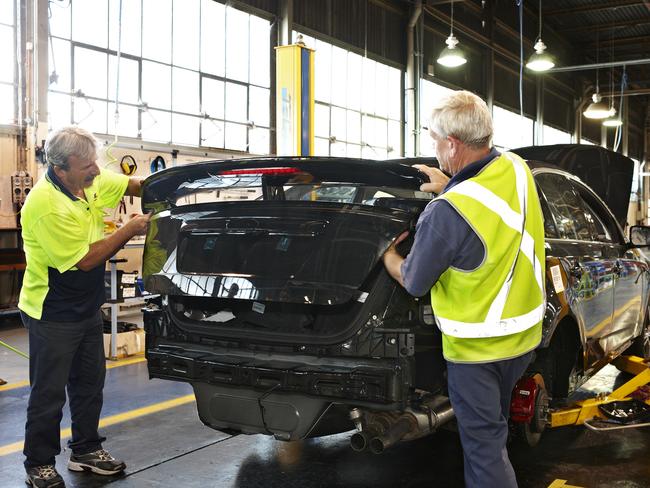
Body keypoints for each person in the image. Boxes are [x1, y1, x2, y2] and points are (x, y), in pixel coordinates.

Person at [382, 91, 545, 488]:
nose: (434, 147)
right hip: (523, 339)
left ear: (451, 144)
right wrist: (451, 184)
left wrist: (384, 252)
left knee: (484, 449)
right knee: (494, 430)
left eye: (436, 139)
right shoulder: (516, 168)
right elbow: (484, 205)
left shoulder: (447, 213)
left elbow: (414, 279)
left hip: (477, 352)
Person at [18, 126, 152, 488]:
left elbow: (132, 186)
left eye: (95, 161)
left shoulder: (87, 178)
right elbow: (86, 260)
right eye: (86, 165)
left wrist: (165, 184)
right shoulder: (47, 205)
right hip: (52, 311)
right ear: (60, 169)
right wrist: (130, 229)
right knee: (48, 393)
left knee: (89, 385)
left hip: (86, 306)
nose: (96, 170)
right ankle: (39, 463)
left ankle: (86, 450)